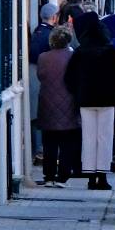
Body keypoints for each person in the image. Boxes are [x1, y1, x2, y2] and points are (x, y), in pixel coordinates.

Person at [65, 12, 115, 191]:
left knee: (89, 138)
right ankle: (101, 175)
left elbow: (69, 78)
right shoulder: (111, 52)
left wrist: (78, 92)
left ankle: (91, 176)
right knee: (105, 138)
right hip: (107, 100)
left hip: (85, 100)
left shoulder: (79, 53)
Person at [36, 26, 79, 187]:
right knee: (67, 143)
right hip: (69, 103)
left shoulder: (43, 58)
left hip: (47, 103)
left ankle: (48, 175)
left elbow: (40, 76)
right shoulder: (73, 56)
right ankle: (63, 176)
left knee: (49, 143)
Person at [29, 3, 60, 163]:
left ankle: (37, 149)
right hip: (43, 79)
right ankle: (41, 150)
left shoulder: (36, 32)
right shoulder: (50, 35)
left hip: (33, 77)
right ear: (54, 17)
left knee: (35, 117)